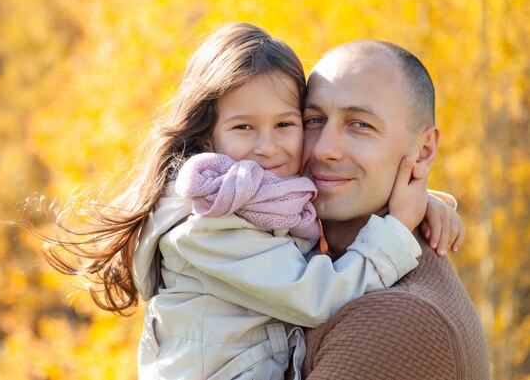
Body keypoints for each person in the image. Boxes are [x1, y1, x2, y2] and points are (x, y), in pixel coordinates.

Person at [42, 23, 462, 380]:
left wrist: (421, 200)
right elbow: (317, 297)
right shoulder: (208, 221)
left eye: (287, 124)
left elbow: (323, 194)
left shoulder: (268, 196)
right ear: (209, 136)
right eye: (244, 127)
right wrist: (397, 228)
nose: (268, 147)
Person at [294, 40, 490, 379]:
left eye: (360, 125)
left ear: (425, 151)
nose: (324, 148)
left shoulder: (398, 317)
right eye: (314, 120)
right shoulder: (302, 260)